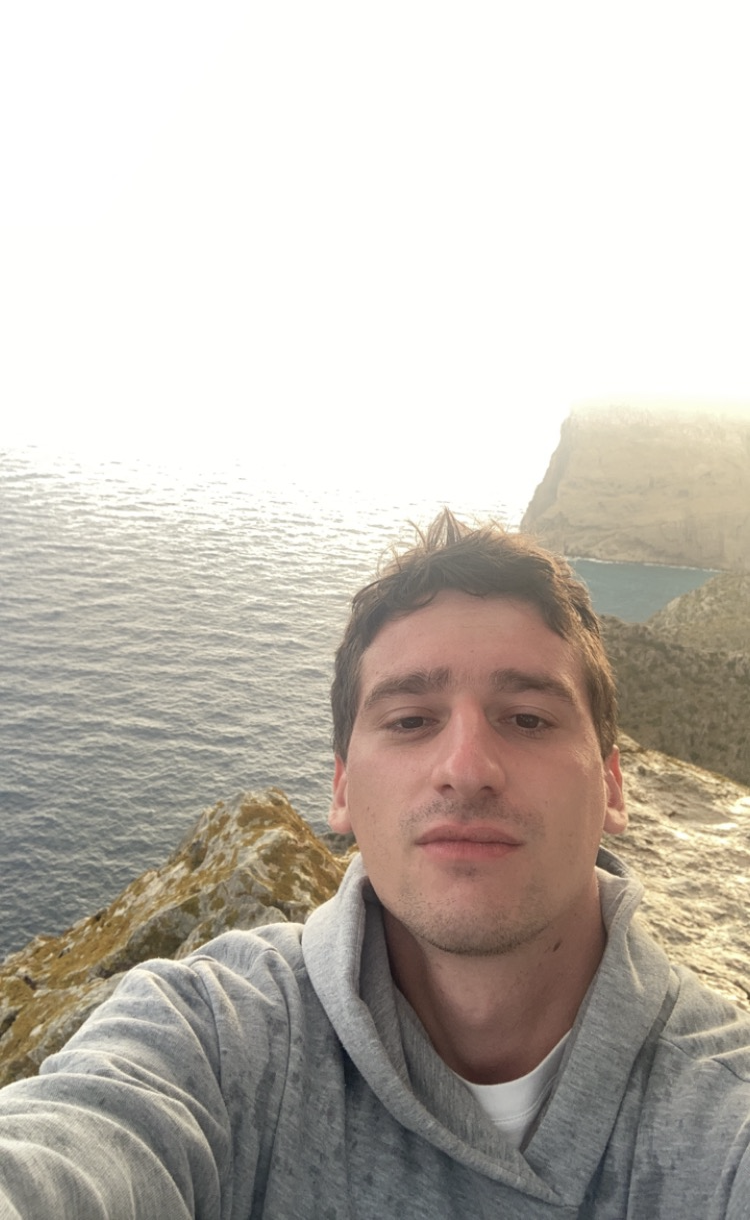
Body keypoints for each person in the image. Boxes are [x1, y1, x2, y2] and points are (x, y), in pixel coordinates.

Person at [0, 510, 748, 1218]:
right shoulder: (213, 1036)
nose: (466, 769)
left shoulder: (725, 1114)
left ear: (612, 786)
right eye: (411, 720)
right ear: (342, 789)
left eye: (527, 718)